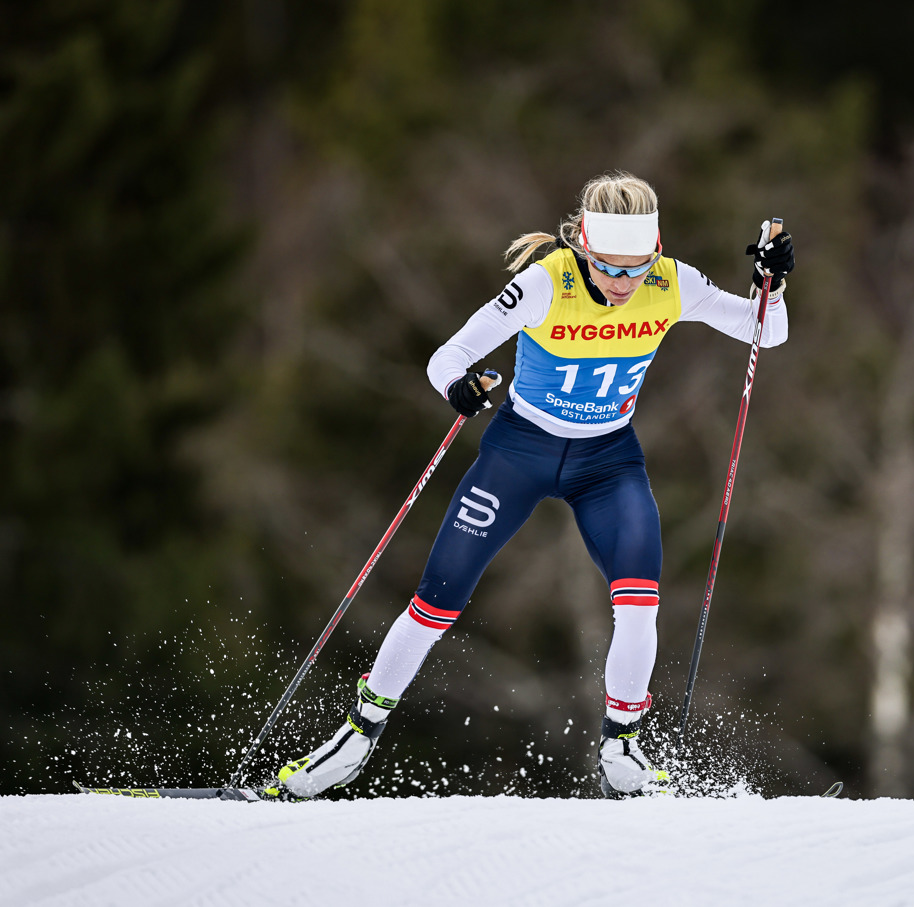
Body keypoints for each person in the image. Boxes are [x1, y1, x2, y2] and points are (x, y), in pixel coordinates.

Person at [267, 171, 794, 799]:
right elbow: (446, 358)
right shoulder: (546, 283)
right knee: (438, 599)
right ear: (583, 249)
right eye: (608, 268)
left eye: (636, 269)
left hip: (608, 461)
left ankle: (622, 746)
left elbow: (767, 330)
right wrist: (459, 388)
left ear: (654, 252)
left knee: (639, 601)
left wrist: (772, 284)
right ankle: (356, 736)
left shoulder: (672, 282)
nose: (623, 284)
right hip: (520, 453)